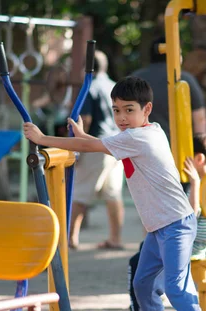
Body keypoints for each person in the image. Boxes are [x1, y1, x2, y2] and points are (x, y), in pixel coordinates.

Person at [23, 76, 206, 311]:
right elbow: (101, 144)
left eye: (129, 110)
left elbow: (90, 147)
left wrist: (43, 139)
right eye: (116, 111)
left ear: (147, 110)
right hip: (159, 227)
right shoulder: (147, 132)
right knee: (142, 283)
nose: (121, 118)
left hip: (177, 225)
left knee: (176, 289)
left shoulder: (139, 138)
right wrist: (84, 134)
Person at [116, 134, 206, 311]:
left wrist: (193, 180)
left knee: (141, 268)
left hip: (189, 242)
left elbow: (189, 216)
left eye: (184, 155)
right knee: (143, 254)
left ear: (198, 159)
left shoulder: (199, 183)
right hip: (196, 240)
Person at [69, 50, 124, 250]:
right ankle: (116, 238)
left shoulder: (89, 88)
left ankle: (70, 238)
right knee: (113, 194)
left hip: (95, 145)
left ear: (87, 67)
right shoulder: (115, 87)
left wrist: (77, 149)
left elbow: (87, 120)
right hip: (116, 145)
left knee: (80, 193)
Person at [132, 36, 206, 141]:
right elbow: (200, 119)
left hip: (142, 146)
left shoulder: (133, 79)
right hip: (179, 149)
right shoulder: (185, 79)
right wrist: (201, 147)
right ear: (176, 54)